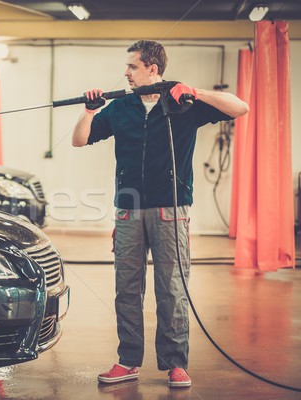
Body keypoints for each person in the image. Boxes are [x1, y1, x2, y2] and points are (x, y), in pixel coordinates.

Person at [72, 40, 249, 388]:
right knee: (126, 289)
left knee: (171, 288)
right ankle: (128, 361)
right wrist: (89, 111)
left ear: (153, 68)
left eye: (132, 67)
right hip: (128, 212)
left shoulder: (182, 103)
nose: (125, 73)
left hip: (172, 209)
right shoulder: (121, 107)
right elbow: (80, 140)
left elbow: (240, 107)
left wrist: (194, 91)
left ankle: (175, 364)